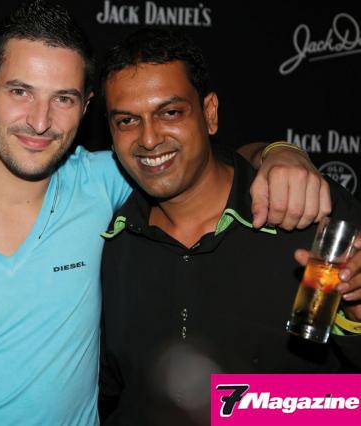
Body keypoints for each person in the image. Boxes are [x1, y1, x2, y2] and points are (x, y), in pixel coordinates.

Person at [0, 2, 334, 425]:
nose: (40, 121)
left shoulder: (104, 180)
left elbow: (199, 160)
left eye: (63, 99)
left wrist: (279, 153)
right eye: (20, 91)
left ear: (87, 106)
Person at [98, 27, 361, 425]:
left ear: (209, 113)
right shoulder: (110, 241)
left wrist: (233, 405)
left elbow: (346, 400)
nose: (149, 139)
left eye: (171, 113)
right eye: (127, 120)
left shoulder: (308, 211)